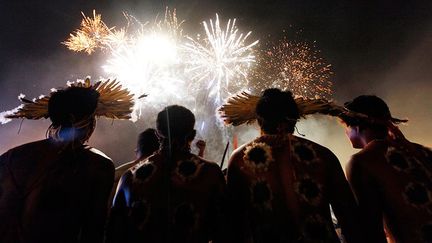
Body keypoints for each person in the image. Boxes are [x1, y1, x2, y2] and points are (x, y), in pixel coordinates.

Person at [226, 88, 361, 243]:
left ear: (259, 120)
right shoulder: (323, 156)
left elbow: (233, 227)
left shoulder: (239, 160)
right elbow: (350, 219)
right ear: (295, 119)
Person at [0, 85, 118, 243]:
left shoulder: (12, 157)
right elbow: (93, 231)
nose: (94, 125)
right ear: (75, 119)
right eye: (92, 118)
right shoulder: (98, 165)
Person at [107, 105, 227, 243]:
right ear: (192, 135)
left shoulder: (130, 176)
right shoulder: (210, 173)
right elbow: (225, 229)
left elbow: (114, 232)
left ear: (157, 134)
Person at [341, 95, 432, 243]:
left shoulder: (362, 162)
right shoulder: (422, 152)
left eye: (346, 127)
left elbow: (371, 229)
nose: (346, 133)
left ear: (356, 127)